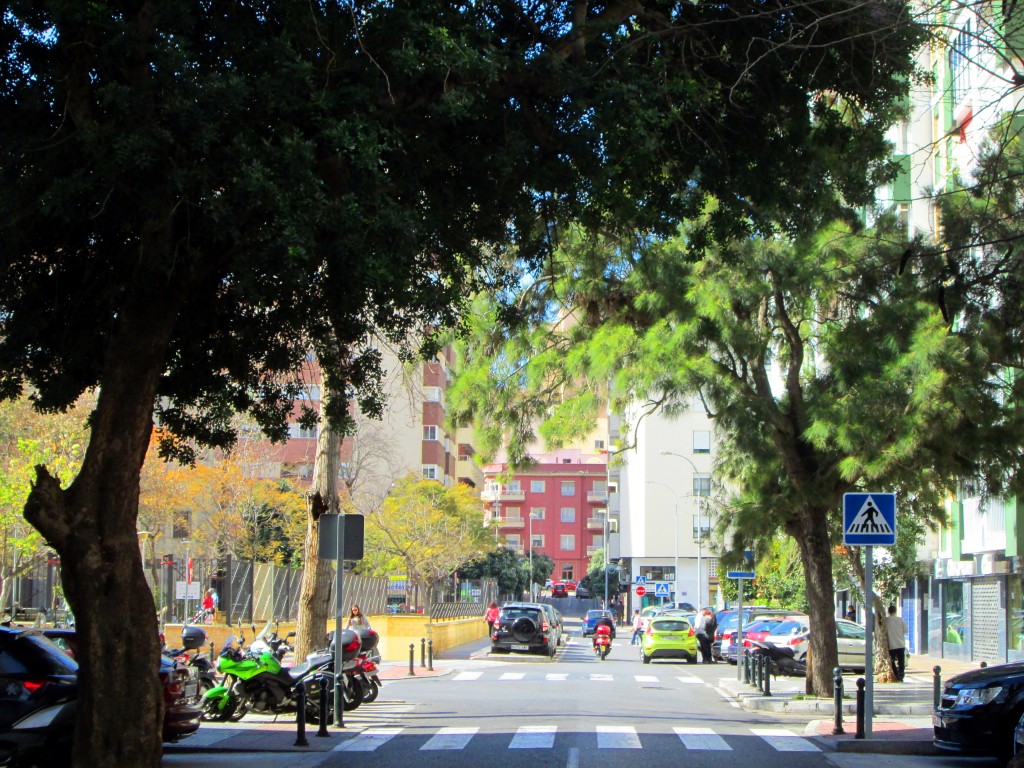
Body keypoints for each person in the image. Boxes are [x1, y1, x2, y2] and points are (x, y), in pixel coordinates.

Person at [885, 605, 908, 682]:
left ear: (888, 612)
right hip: (900, 644)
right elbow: (906, 630)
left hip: (891, 645)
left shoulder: (886, 621)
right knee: (901, 661)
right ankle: (901, 675)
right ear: (895, 611)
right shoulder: (900, 620)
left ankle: (896, 674)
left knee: (891, 661)